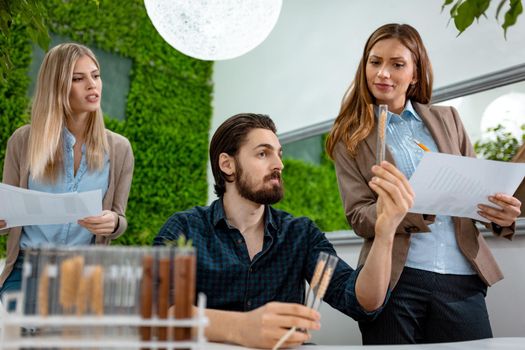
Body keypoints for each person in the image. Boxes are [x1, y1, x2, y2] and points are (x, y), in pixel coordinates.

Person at [326, 23, 521, 344]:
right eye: (375, 62)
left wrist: (498, 214)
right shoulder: (351, 135)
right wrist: (411, 209)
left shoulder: (449, 120)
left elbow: (474, 191)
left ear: (415, 74)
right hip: (396, 279)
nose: (383, 73)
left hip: (461, 278)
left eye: (397, 64)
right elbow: (359, 216)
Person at [154, 113, 414, 349]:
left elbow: (362, 302)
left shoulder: (301, 234)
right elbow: (156, 306)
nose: (279, 164)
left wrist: (385, 232)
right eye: (263, 154)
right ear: (227, 165)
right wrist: (242, 327)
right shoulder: (183, 229)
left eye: (279, 153)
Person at [0, 43, 134, 306]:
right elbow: (7, 215)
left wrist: (114, 223)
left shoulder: (119, 149)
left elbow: (119, 217)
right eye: (78, 79)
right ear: (57, 86)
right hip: (28, 269)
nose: (92, 85)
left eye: (95, 76)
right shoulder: (23, 141)